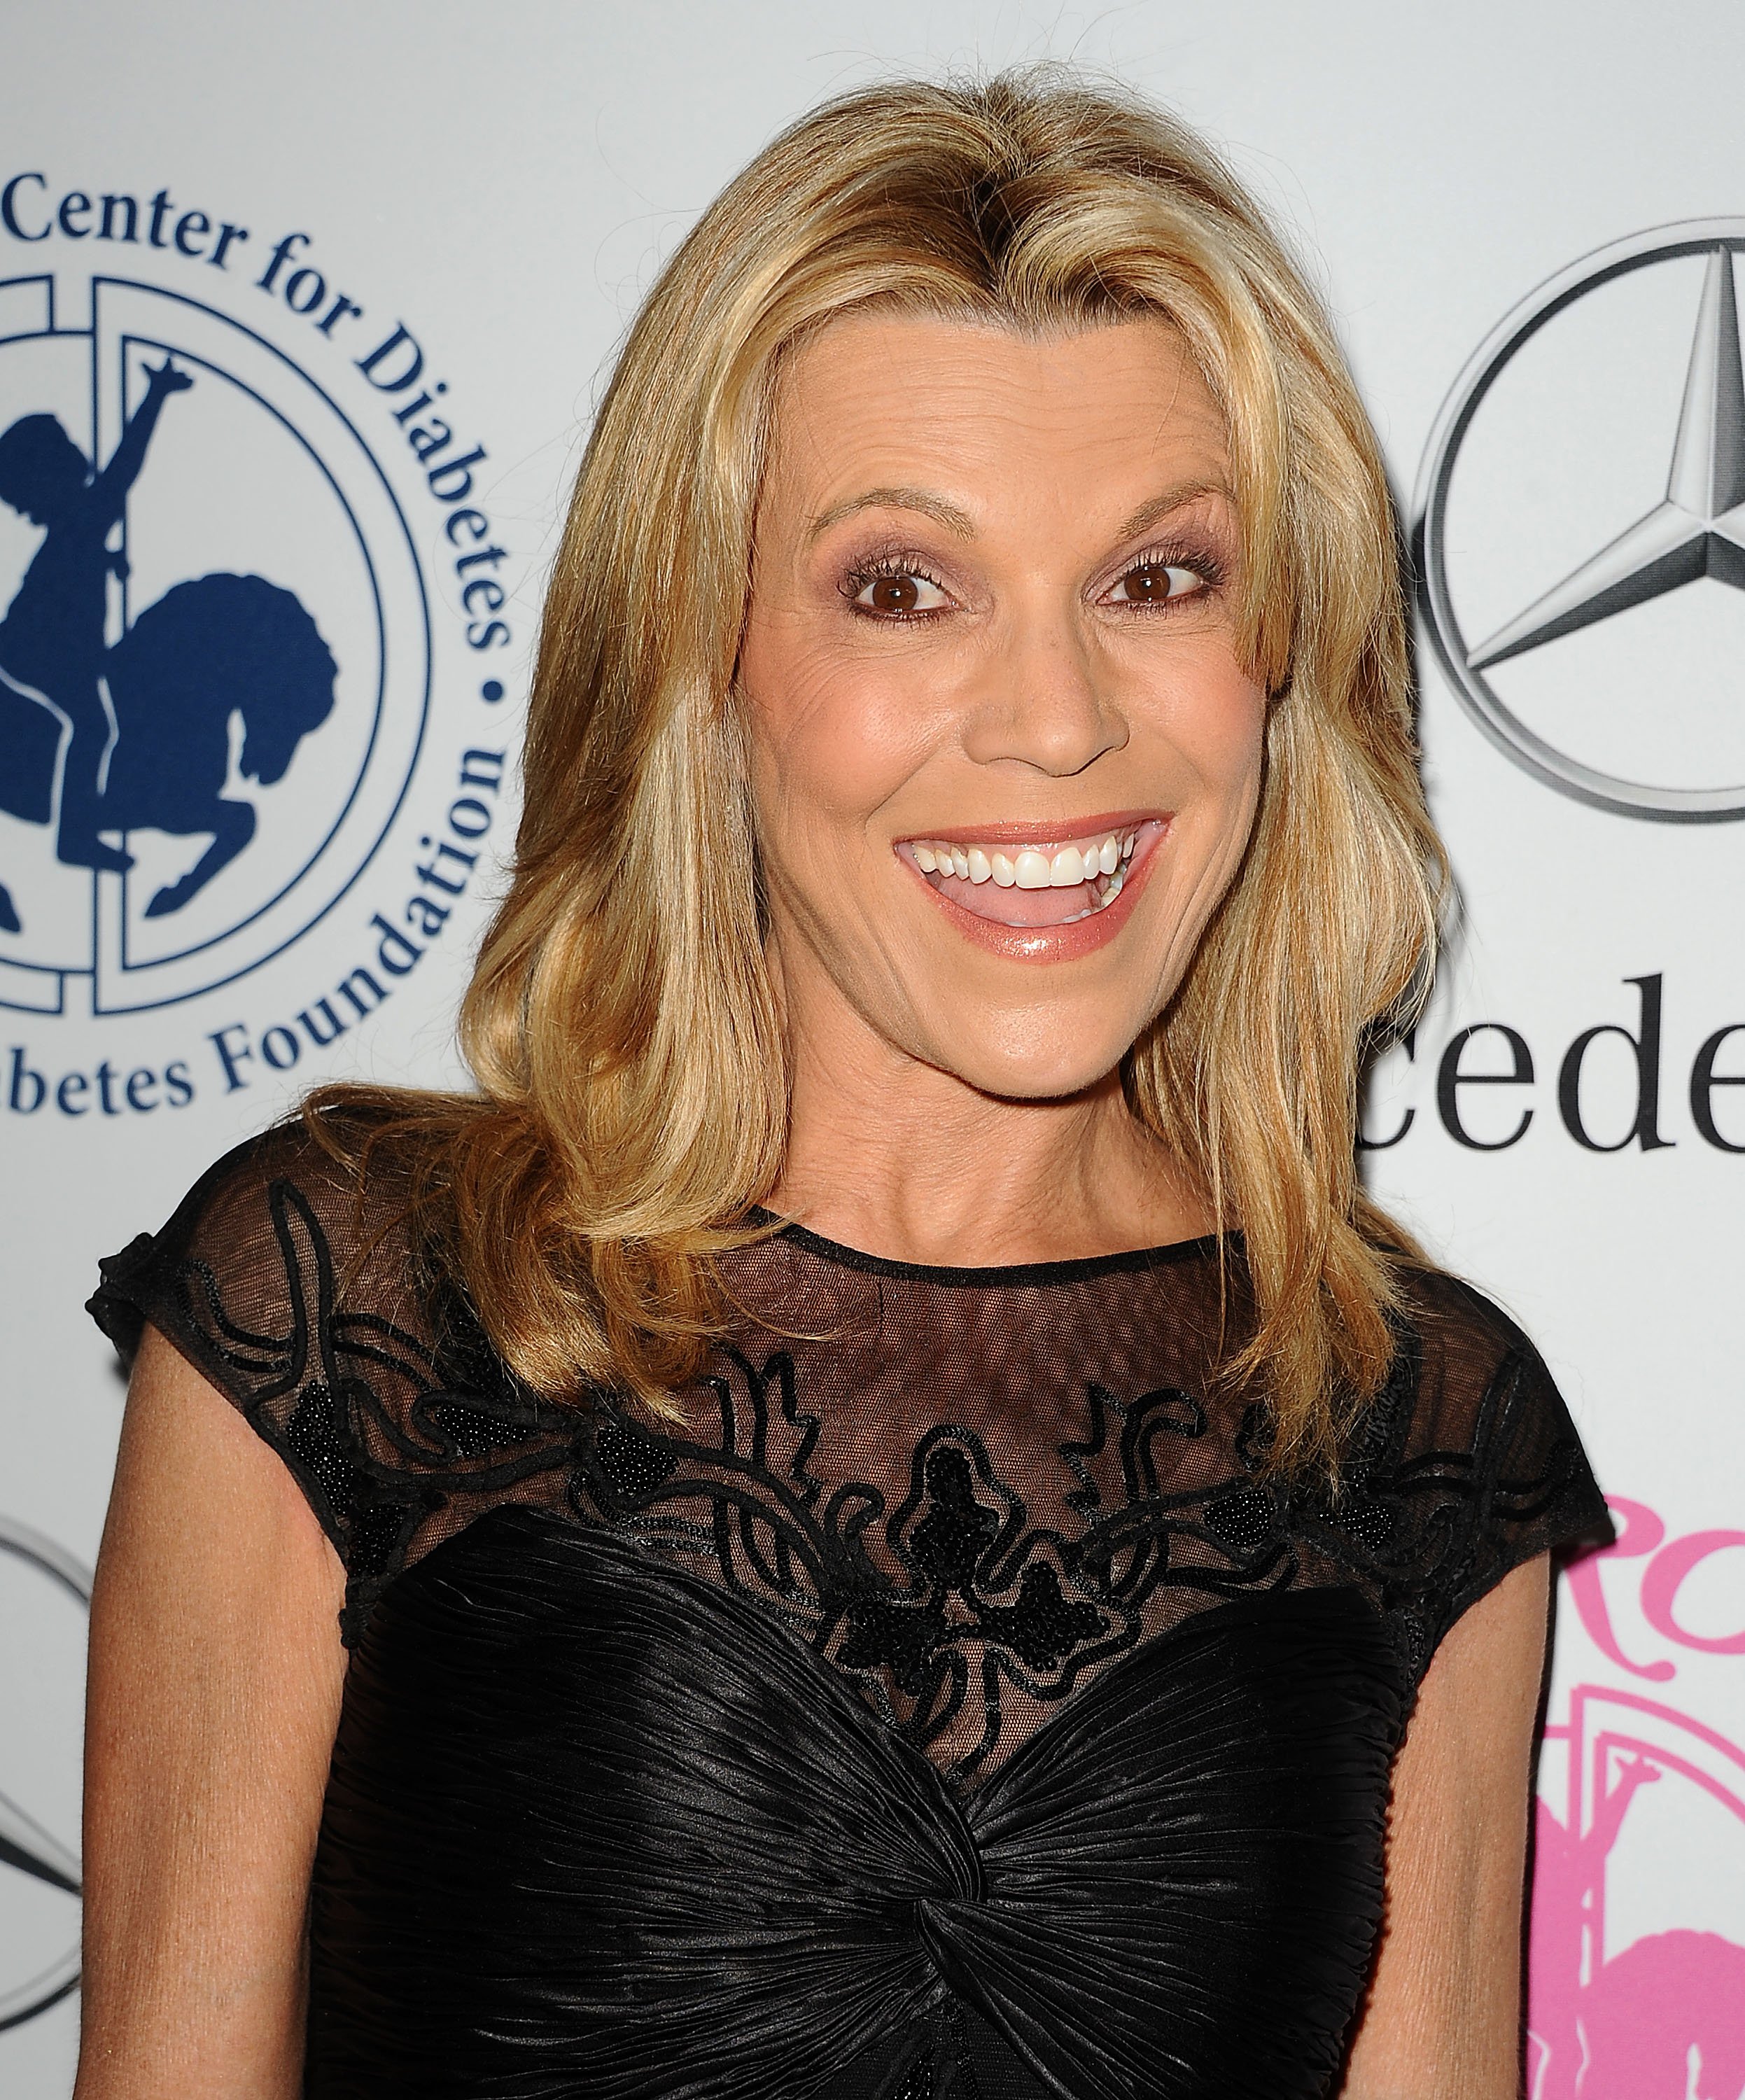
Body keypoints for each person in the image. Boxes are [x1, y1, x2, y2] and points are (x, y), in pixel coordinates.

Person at [77, 72, 1609, 2100]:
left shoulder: (1409, 1420)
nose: (1056, 723)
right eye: (902, 587)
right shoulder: (351, 1298)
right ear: (703, 660)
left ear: (1280, 664)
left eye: (1158, 579)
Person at [0, 356, 193, 874]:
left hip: (44, 644)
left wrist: (107, 561)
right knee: (94, 729)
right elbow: (126, 465)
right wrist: (156, 396)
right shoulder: (86, 515)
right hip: (37, 649)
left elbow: (66, 572)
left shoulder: (76, 525)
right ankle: (74, 838)